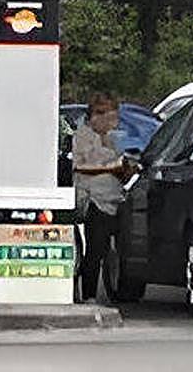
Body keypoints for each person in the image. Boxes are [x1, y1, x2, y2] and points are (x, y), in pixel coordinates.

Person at [72, 93, 127, 303]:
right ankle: (88, 294)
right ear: (97, 116)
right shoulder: (83, 136)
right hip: (93, 197)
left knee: (105, 248)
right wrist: (107, 168)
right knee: (94, 249)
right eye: (111, 118)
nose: (114, 123)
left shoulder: (112, 139)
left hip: (112, 198)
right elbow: (78, 166)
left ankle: (105, 288)